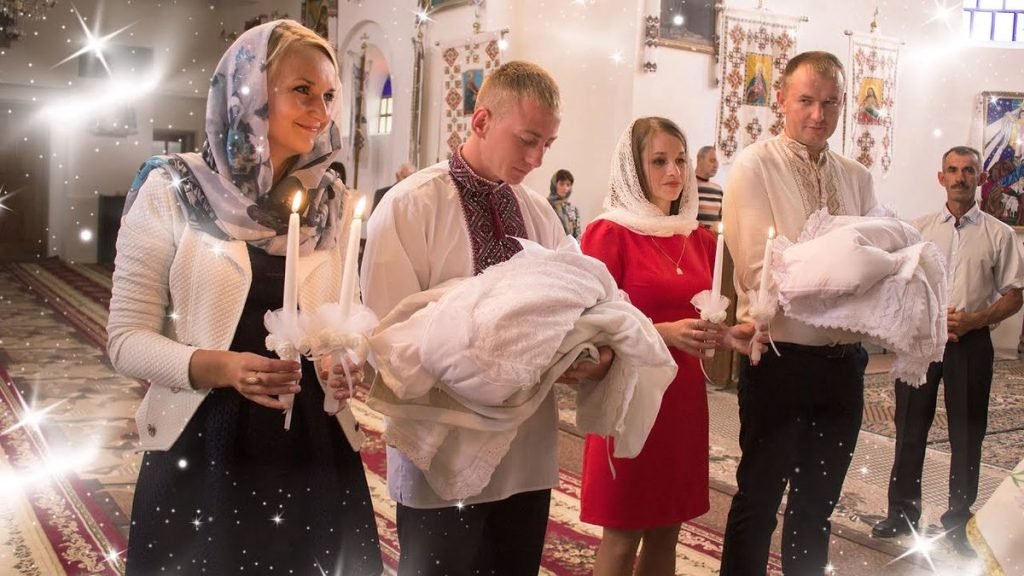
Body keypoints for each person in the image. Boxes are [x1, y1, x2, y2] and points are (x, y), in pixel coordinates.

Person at [107, 20, 382, 575]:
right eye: (302, 90)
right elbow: (125, 342)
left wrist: (344, 363)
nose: (321, 111)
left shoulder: (331, 203)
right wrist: (225, 368)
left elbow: (343, 323)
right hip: (204, 440)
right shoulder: (174, 191)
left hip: (312, 444)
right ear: (248, 91)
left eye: (329, 95)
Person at [361, 60, 613, 576]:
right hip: (440, 447)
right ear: (480, 121)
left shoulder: (538, 211)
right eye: (527, 140)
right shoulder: (411, 206)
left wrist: (586, 352)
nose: (537, 159)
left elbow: (577, 304)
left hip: (526, 452)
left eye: (547, 144)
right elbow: (385, 339)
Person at [720, 51, 878, 575]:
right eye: (806, 100)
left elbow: (877, 259)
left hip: (844, 363)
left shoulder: (856, 176)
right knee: (760, 500)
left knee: (816, 508)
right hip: (780, 357)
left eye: (830, 103)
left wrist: (851, 271)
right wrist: (850, 272)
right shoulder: (754, 165)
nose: (818, 114)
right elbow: (761, 268)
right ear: (781, 99)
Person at [579, 117, 758, 576]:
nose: (674, 171)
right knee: (622, 535)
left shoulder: (698, 239)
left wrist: (727, 335)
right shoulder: (608, 233)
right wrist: (663, 332)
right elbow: (590, 325)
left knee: (667, 530)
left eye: (680, 159)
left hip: (681, 401)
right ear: (634, 168)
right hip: (629, 394)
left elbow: (702, 318)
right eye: (659, 161)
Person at [872, 146, 1024, 556]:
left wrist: (976, 319)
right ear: (941, 178)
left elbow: (1015, 295)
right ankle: (901, 512)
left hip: (971, 343)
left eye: (968, 170)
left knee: (967, 432)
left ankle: (957, 520)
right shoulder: (917, 231)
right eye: (952, 170)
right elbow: (898, 283)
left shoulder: (999, 234)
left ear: (980, 178)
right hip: (921, 342)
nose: (960, 177)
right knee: (909, 426)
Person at [548, 168, 582, 238]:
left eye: (568, 185)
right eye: (561, 184)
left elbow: (577, 235)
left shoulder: (573, 209)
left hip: (570, 244)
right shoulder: (546, 206)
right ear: (554, 184)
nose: (565, 188)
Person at [694, 145, 723, 227]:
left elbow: (722, 218)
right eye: (712, 160)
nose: (716, 165)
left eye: (717, 162)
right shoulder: (687, 186)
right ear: (699, 160)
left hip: (713, 235)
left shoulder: (718, 189)